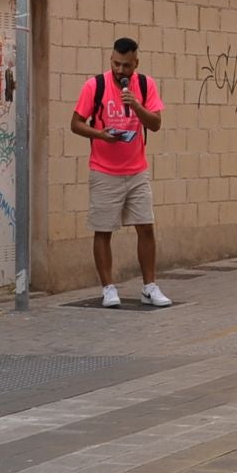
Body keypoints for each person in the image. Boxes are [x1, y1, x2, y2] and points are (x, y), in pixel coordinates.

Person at [71, 36, 170, 309]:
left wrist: (136, 104)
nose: (120, 71)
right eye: (116, 64)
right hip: (104, 171)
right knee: (103, 230)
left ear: (136, 63)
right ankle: (108, 288)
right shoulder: (95, 85)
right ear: (110, 59)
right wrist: (100, 135)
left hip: (137, 170)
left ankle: (149, 287)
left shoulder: (145, 85)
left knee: (146, 227)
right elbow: (75, 124)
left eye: (126, 66)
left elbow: (156, 124)